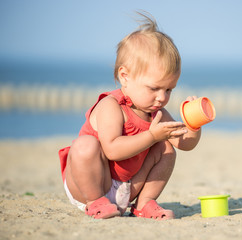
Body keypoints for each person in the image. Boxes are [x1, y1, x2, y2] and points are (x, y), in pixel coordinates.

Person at [58, 12, 201, 220]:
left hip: (126, 188)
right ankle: (96, 202)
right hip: (90, 184)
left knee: (166, 149)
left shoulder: (156, 112)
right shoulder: (112, 106)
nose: (162, 97)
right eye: (154, 88)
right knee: (84, 145)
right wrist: (152, 136)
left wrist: (194, 125)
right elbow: (112, 149)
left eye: (169, 89)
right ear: (125, 77)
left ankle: (144, 203)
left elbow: (185, 143)